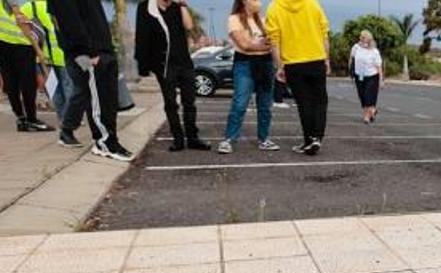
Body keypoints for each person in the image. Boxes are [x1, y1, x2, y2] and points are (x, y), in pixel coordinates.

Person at [48, 0, 133, 160]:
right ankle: (104, 143)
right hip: (88, 54)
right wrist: (87, 52)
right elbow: (68, 22)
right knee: (95, 99)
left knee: (105, 100)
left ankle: (109, 140)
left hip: (102, 51)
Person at [136, 0, 210, 151]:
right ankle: (178, 139)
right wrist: (143, 65)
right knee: (170, 103)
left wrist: (183, 5)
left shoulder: (178, 8)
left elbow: (189, 26)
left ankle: (193, 138)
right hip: (163, 64)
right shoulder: (146, 7)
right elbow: (141, 35)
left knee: (189, 101)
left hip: (184, 61)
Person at [0, 0, 53, 131]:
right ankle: (31, 119)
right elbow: (17, 10)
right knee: (27, 80)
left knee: (10, 78)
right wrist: (37, 47)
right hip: (16, 36)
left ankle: (21, 119)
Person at [265, 0, 330, 156]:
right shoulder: (313, 4)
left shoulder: (274, 7)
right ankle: (317, 137)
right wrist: (326, 59)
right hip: (316, 59)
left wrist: (279, 66)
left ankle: (309, 139)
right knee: (320, 101)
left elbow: (274, 40)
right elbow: (324, 33)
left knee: (304, 102)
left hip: (293, 64)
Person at [215, 0, 277, 154]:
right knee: (240, 103)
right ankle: (229, 139)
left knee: (265, 104)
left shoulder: (263, 20)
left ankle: (264, 139)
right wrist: (261, 44)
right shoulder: (234, 19)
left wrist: (259, 44)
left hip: (266, 63)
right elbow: (244, 45)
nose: (259, 2)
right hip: (245, 64)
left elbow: (273, 41)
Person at [19, 0, 70, 120]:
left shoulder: (30, 6)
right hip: (50, 56)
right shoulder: (30, 6)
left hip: (56, 55)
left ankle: (67, 118)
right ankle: (67, 118)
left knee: (61, 89)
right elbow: (21, 26)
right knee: (63, 88)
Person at [349, 30, 383, 124]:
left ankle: (367, 116)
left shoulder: (374, 51)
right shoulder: (356, 47)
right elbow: (352, 59)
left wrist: (381, 80)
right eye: (360, 37)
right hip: (359, 75)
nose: (361, 38)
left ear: (368, 39)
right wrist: (351, 72)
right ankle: (371, 111)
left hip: (372, 76)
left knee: (368, 96)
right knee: (362, 96)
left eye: (363, 37)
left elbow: (379, 66)